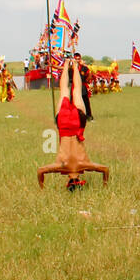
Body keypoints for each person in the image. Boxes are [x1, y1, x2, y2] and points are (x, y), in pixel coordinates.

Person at [37, 55, 109, 189]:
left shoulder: (84, 164)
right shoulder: (61, 166)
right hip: (64, 126)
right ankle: (66, 64)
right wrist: (42, 188)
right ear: (68, 182)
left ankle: (74, 65)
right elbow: (40, 171)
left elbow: (105, 169)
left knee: (76, 90)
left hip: (77, 125)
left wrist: (105, 184)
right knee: (64, 91)